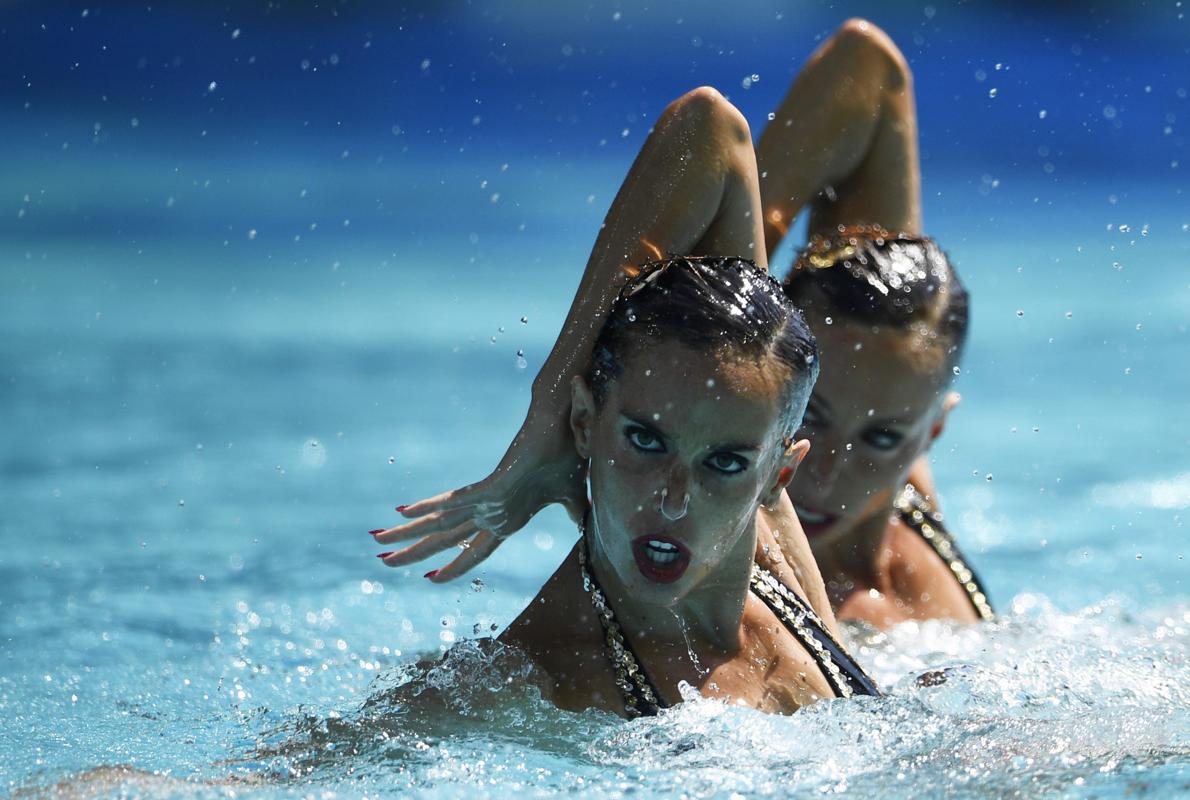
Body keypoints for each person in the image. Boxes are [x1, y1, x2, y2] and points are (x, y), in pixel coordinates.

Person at [372, 87, 877, 716]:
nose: (672, 499)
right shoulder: (535, 682)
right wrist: (547, 409)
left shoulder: (767, 552)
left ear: (780, 474)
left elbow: (721, 130)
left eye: (723, 464)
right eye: (644, 440)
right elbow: (706, 127)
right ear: (587, 422)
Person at [755, 18, 993, 627]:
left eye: (884, 439)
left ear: (931, 432)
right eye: (808, 416)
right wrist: (743, 280)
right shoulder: (703, 565)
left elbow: (872, 68)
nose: (827, 470)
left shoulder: (906, 502)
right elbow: (863, 63)